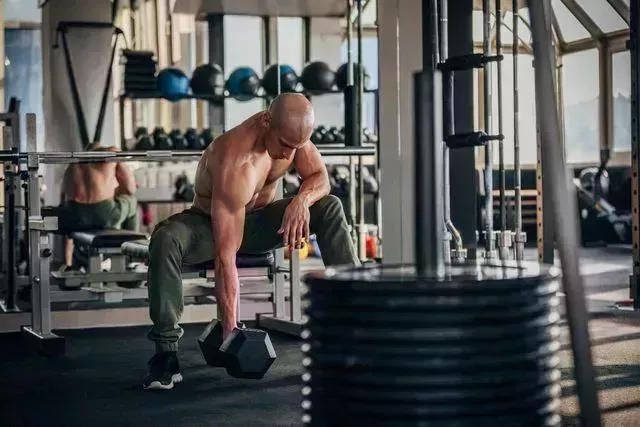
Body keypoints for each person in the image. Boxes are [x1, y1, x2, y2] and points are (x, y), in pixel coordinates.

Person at [143, 93, 360, 390]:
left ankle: (359, 324)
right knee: (166, 237)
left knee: (330, 206)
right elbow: (225, 256)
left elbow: (320, 176)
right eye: (285, 145)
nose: (288, 155)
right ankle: (165, 354)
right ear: (267, 121)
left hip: (259, 223)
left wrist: (301, 200)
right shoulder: (236, 158)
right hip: (207, 225)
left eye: (296, 148)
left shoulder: (293, 135)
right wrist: (230, 326)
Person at [58, 143, 138, 270]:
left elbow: (64, 198)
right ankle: (133, 258)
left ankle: (68, 263)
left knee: (67, 219)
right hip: (104, 213)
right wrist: (113, 195)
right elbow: (130, 189)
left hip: (74, 216)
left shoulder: (73, 163)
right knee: (131, 202)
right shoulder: (111, 152)